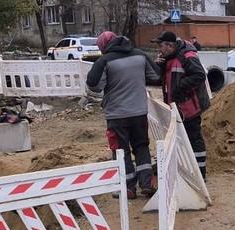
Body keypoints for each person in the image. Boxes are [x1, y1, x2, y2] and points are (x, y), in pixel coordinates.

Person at [86, 31, 161, 200]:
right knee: (141, 146)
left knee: (121, 151)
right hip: (139, 112)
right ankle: (147, 184)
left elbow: (94, 85)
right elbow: (155, 76)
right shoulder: (140, 55)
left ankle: (128, 188)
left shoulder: (104, 61)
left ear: (103, 46)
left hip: (117, 115)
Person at [152, 31, 210, 181]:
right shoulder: (170, 58)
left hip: (189, 107)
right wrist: (161, 66)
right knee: (180, 139)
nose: (159, 49)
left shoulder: (187, 56)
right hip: (177, 107)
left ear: (170, 45)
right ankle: (186, 171)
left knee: (194, 139)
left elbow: (199, 75)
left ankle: (200, 175)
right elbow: (165, 80)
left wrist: (179, 87)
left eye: (161, 46)